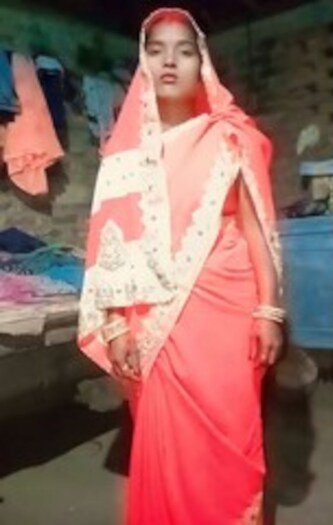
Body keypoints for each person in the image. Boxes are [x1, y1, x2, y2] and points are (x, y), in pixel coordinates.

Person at [77, 8, 283, 524]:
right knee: (167, 439)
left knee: (232, 429)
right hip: (155, 319)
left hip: (228, 311)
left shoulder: (229, 138)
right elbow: (113, 245)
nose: (170, 61)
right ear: (143, 63)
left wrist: (269, 310)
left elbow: (257, 229)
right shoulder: (124, 156)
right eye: (156, 50)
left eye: (184, 51)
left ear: (202, 64)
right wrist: (116, 324)